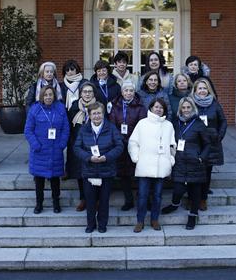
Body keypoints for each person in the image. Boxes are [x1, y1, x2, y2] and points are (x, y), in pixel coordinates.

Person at [161, 96, 211, 230]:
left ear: (193, 108)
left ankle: (192, 216)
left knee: (195, 192)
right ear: (180, 109)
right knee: (178, 189)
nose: (186, 110)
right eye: (183, 108)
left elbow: (207, 144)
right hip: (179, 161)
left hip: (195, 162)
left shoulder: (199, 123)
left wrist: (201, 158)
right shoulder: (175, 123)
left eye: (188, 107)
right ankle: (175, 204)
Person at [74, 102, 123, 233]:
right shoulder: (83, 129)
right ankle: (90, 224)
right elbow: (77, 148)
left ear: (103, 114)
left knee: (104, 200)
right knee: (90, 201)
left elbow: (119, 146)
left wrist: (106, 157)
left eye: (99, 113)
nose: (96, 116)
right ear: (89, 115)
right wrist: (89, 157)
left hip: (106, 171)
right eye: (94, 113)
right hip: (89, 171)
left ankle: (102, 225)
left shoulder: (111, 128)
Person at [128, 98, 176, 233]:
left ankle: (154, 219)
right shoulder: (142, 123)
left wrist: (171, 159)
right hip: (145, 165)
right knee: (142, 195)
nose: (158, 109)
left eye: (161, 107)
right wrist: (136, 158)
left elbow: (172, 145)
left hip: (161, 166)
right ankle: (140, 220)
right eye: (156, 107)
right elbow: (133, 142)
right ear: (151, 108)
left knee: (158, 195)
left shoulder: (168, 125)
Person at [24, 85, 70, 214]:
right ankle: (39, 204)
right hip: (39, 151)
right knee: (39, 181)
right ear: (41, 96)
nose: (48, 97)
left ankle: (56, 202)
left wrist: (62, 144)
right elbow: (28, 130)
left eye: (50, 94)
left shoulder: (60, 108)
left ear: (54, 96)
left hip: (56, 150)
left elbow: (66, 128)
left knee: (55, 180)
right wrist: (35, 145)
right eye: (46, 95)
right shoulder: (35, 109)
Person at [109, 81, 147, 211]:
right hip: (120, 143)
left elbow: (142, 125)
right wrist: (120, 139)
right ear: (122, 92)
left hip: (136, 143)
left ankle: (143, 199)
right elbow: (112, 124)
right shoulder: (115, 105)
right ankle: (129, 200)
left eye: (131, 90)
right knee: (123, 173)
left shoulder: (140, 106)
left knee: (139, 171)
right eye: (126, 90)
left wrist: (132, 140)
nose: (128, 93)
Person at [191, 78, 227, 211]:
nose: (202, 91)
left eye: (204, 88)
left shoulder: (214, 104)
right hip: (194, 143)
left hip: (211, 143)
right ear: (195, 90)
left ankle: (203, 199)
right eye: (199, 88)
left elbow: (223, 121)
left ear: (208, 90)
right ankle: (192, 198)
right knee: (193, 173)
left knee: (206, 172)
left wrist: (219, 136)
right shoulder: (190, 103)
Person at [66, 82, 97, 212]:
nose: (87, 94)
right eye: (85, 92)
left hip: (94, 145)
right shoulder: (74, 107)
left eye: (90, 91)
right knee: (80, 173)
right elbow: (69, 126)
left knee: (94, 174)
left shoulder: (98, 107)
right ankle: (83, 199)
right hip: (78, 145)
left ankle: (95, 200)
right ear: (80, 94)